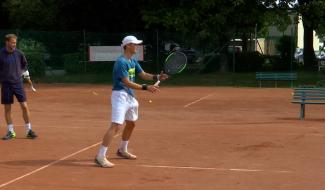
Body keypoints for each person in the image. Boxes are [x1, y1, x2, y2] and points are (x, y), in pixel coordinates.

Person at [95, 35, 168, 168]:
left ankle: (122, 150)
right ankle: (100, 156)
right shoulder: (121, 62)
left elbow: (143, 74)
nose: (137, 46)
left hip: (130, 96)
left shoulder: (132, 61)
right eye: (135, 44)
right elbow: (126, 82)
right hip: (120, 96)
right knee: (116, 125)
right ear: (128, 45)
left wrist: (157, 76)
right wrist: (146, 88)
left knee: (131, 124)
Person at [0, 34, 37, 140]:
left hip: (18, 84)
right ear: (7, 42)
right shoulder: (1, 54)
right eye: (12, 42)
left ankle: (29, 130)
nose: (14, 44)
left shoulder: (19, 53)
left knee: (24, 106)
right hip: (6, 84)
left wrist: (24, 74)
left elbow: (24, 65)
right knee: (7, 109)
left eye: (15, 42)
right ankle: (11, 132)